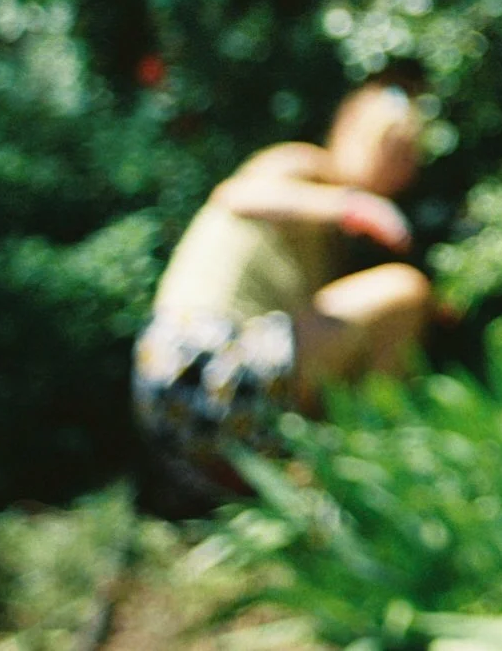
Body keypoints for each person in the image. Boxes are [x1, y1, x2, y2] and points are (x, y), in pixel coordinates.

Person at [133, 73, 433, 504]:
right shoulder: (304, 166)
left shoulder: (327, 244)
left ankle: (311, 484)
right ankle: (373, 467)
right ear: (346, 128)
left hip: (176, 402)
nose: (401, 168)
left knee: (387, 318)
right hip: (200, 361)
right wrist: (348, 205)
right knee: (405, 292)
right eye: (389, 146)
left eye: (409, 156)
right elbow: (236, 194)